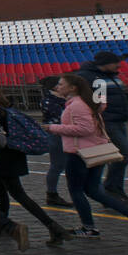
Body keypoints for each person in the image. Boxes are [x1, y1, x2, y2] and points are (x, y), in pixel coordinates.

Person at [48, 74, 128, 242]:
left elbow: (85, 129)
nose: (58, 86)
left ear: (73, 88)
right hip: (95, 151)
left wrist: (53, 127)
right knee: (94, 191)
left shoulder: (77, 105)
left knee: (76, 191)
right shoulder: (88, 102)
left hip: (80, 153)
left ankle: (89, 228)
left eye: (62, 84)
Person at [0, 80, 70, 248]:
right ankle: (3, 223)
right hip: (12, 154)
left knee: (18, 194)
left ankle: (53, 226)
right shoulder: (3, 106)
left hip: (4, 156)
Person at [76, 51, 128, 206]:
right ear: (105, 63)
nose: (118, 65)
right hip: (107, 121)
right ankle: (110, 188)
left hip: (118, 119)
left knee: (120, 155)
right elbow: (95, 101)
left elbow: (118, 96)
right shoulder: (91, 78)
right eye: (115, 62)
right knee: (126, 153)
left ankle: (114, 190)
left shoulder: (112, 77)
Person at [39, 75, 71, 206]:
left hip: (67, 133)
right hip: (56, 135)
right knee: (57, 165)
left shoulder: (65, 99)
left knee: (66, 164)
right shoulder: (48, 100)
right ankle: (51, 193)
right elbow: (62, 116)